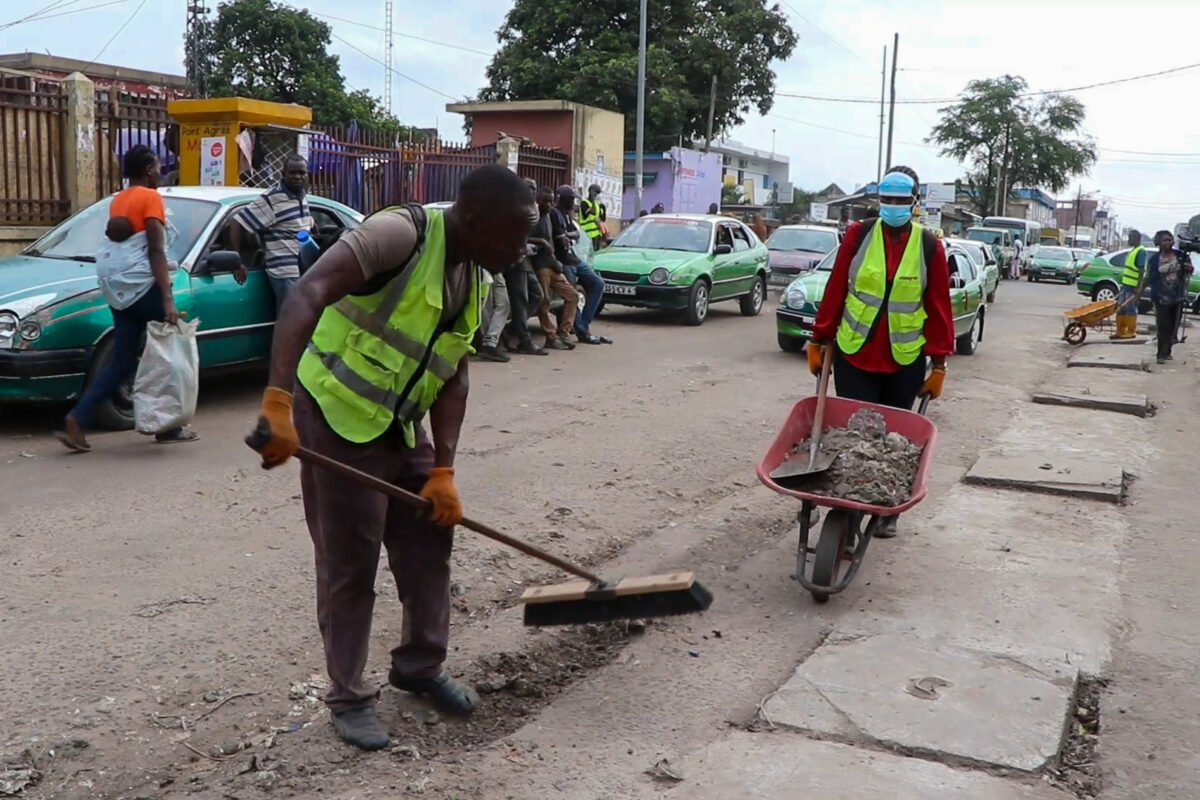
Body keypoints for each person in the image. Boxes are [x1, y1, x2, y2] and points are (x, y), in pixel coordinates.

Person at [246, 164, 537, 751]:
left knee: (431, 536)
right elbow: (308, 292)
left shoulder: (474, 273)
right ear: (476, 220)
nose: (523, 246)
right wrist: (278, 401)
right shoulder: (399, 236)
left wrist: (444, 471)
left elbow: (453, 375)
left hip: (399, 425)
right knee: (351, 561)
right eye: (516, 231)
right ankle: (349, 697)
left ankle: (418, 667)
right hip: (334, 414)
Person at [807, 166, 954, 538]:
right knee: (855, 433)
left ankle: (888, 508)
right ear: (878, 201)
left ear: (914, 202)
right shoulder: (859, 236)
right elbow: (837, 287)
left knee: (895, 439)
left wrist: (939, 364)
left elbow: (938, 306)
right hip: (854, 353)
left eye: (901, 201)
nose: (893, 206)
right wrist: (818, 339)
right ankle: (849, 505)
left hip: (903, 360)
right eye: (886, 199)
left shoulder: (929, 245)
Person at [55, 145, 197, 452]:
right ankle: (167, 426)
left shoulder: (119, 200)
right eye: (159, 166)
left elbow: (123, 240)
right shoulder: (150, 198)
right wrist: (168, 299)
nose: (161, 171)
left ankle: (78, 418)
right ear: (148, 170)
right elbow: (156, 250)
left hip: (120, 290)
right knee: (167, 354)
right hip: (144, 287)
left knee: (122, 359)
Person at [230, 154, 314, 314]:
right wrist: (237, 261)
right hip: (284, 273)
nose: (298, 177)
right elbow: (237, 222)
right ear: (283, 174)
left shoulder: (301, 196)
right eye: (293, 172)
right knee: (291, 322)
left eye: (302, 173)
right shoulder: (272, 199)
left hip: (302, 272)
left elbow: (303, 225)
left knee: (301, 321)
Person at [553, 185, 612, 345]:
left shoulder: (567, 215)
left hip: (574, 258)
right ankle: (581, 330)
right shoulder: (555, 214)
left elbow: (576, 234)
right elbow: (560, 239)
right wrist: (567, 236)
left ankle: (584, 325)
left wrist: (568, 235)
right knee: (572, 295)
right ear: (562, 199)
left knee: (598, 284)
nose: (574, 202)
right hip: (562, 260)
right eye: (571, 199)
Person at [502, 178, 547, 356]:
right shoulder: (513, 209)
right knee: (520, 300)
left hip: (524, 261)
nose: (532, 192)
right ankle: (524, 340)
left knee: (537, 295)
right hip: (514, 262)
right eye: (529, 189)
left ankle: (513, 329)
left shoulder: (530, 209)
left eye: (534, 189)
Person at [531, 188, 579, 350]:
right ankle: (550, 336)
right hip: (540, 266)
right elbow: (524, 237)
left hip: (553, 264)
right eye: (545, 201)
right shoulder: (534, 217)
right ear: (538, 200)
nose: (548, 204)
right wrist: (542, 242)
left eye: (551, 201)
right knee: (544, 302)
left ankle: (564, 333)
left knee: (572, 296)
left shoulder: (550, 216)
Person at [1145, 230, 1192, 364]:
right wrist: (1140, 291)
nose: (1168, 242)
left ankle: (1167, 351)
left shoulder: (1180, 255)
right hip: (1160, 297)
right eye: (1165, 240)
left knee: (1173, 326)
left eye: (1170, 240)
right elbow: (1149, 277)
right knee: (1163, 325)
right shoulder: (1154, 260)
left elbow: (1189, 270)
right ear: (1158, 242)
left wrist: (1188, 267)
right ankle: (1160, 354)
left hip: (1177, 296)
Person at [1112, 230, 1147, 340]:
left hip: (1133, 286)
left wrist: (1139, 286)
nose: (1129, 240)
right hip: (1126, 285)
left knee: (1130, 308)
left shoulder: (1141, 251)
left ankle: (1131, 331)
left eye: (1131, 237)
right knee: (1121, 308)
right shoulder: (1133, 250)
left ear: (1137, 238)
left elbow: (1141, 270)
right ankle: (1120, 331)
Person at [477, 269, 511, 362]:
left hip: (496, 266)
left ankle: (490, 341)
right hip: (483, 265)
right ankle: (489, 343)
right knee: (486, 305)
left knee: (504, 303)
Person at [579, 183, 607, 249]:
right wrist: (593, 200)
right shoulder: (584, 203)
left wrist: (604, 209)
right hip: (586, 235)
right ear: (591, 192)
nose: (597, 195)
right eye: (596, 193)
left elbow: (602, 219)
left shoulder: (597, 205)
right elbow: (591, 213)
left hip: (596, 235)